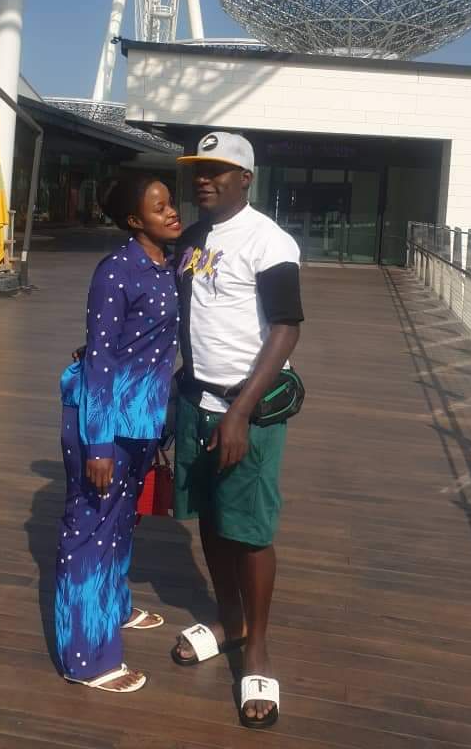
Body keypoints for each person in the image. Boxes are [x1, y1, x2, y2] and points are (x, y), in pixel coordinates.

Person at [171, 132, 304, 729]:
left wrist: (241, 412)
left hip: (243, 408)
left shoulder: (268, 241)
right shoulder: (192, 239)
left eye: (218, 171)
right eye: (199, 170)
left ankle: (258, 649)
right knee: (211, 518)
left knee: (249, 530)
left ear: (245, 178)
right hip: (194, 400)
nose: (204, 180)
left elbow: (286, 327)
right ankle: (230, 620)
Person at [55, 172, 182, 693]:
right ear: (134, 220)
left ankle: (114, 606)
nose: (172, 211)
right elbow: (101, 359)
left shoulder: (169, 264)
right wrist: (99, 444)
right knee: (89, 532)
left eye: (171, 202)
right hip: (102, 421)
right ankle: (86, 659)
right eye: (159, 207)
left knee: (122, 521)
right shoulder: (116, 272)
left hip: (142, 420)